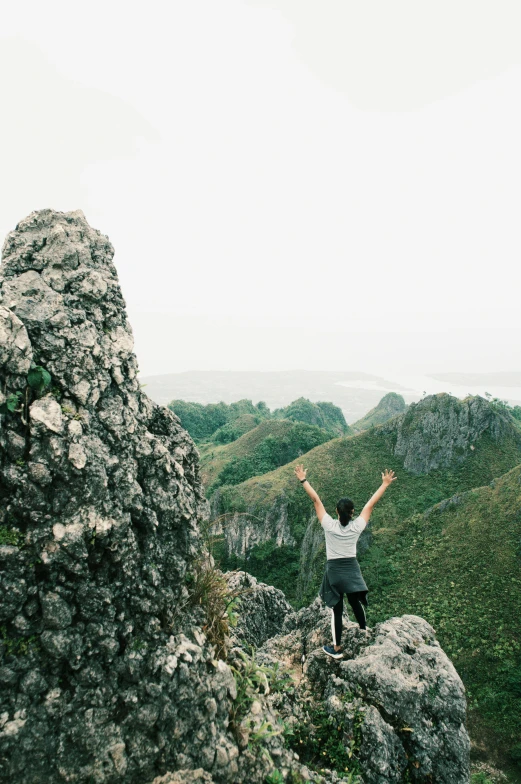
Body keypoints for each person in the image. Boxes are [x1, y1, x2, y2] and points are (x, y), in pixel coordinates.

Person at [293, 463, 397, 659]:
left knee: (337, 610)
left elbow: (315, 500)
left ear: (336, 512)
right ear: (352, 513)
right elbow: (370, 504)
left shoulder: (329, 525)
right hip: (352, 568)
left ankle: (337, 648)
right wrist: (385, 484)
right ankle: (364, 630)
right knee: (355, 601)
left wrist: (303, 479)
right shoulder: (356, 526)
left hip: (334, 571)